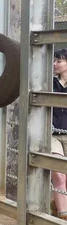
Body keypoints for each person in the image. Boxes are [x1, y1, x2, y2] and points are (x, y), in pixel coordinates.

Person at [51, 48, 67, 220]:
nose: (55, 64)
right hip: (52, 135)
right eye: (54, 60)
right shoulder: (49, 82)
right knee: (59, 174)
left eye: (59, 61)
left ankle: (58, 205)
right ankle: (63, 218)